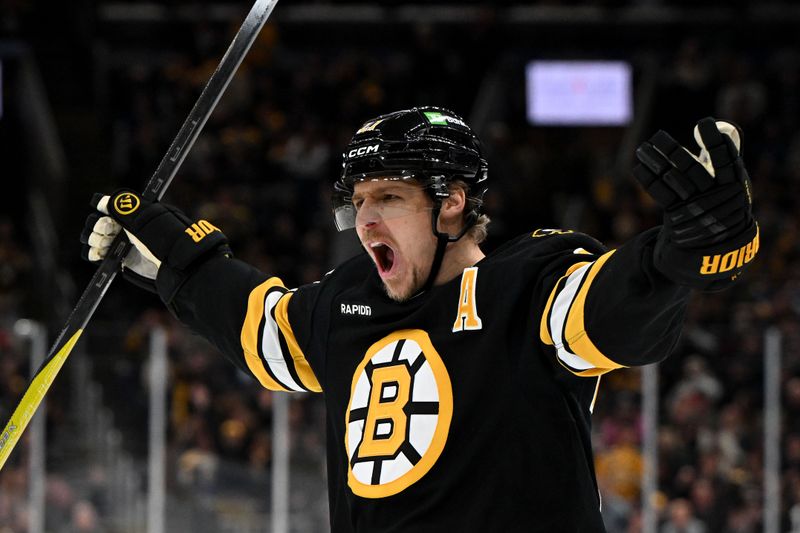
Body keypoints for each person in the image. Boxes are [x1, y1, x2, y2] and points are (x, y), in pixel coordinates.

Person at [81, 107, 759, 532]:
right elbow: (262, 325)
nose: (366, 217)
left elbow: (609, 311)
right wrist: (179, 254)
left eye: (390, 196)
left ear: (453, 203)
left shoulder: (526, 283)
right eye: (359, 200)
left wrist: (676, 256)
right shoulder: (348, 300)